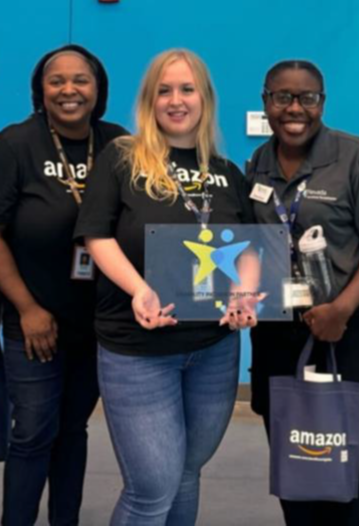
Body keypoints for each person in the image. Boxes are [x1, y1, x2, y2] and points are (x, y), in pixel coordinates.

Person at [74, 48, 256, 525]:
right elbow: (96, 235)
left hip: (214, 350)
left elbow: (250, 249)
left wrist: (245, 294)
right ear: (150, 100)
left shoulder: (227, 172)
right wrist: (139, 289)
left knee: (187, 473)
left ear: (205, 98)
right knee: (152, 487)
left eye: (187, 89)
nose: (176, 101)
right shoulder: (122, 159)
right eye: (164, 91)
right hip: (137, 350)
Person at [0, 45, 128, 525]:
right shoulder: (17, 144)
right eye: (56, 80)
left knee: (73, 430)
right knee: (34, 433)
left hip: (96, 324)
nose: (68, 90)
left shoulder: (119, 144)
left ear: (97, 88)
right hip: (34, 322)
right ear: (40, 89)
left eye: (80, 80)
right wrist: (26, 308)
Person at [247, 60, 359, 526]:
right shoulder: (257, 165)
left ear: (322, 102)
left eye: (307, 98)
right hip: (282, 333)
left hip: (351, 330)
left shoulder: (357, 158)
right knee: (294, 454)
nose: (295, 108)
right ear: (266, 102)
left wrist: (343, 307)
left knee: (353, 459)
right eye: (283, 97)